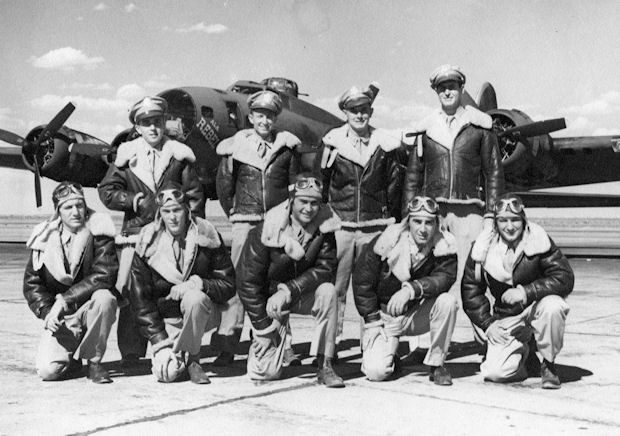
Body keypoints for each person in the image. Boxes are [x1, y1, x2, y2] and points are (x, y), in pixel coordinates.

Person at [98, 96, 205, 366]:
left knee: (171, 290)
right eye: (146, 123)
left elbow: (194, 196)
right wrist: (131, 200)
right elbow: (107, 190)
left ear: (164, 122)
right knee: (130, 293)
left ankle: (178, 349)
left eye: (157, 122)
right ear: (138, 127)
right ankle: (131, 354)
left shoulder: (179, 155)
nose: (153, 128)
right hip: (135, 235)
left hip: (170, 239)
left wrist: (187, 230)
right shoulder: (126, 155)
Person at [315, 84, 406, 347]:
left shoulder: (385, 145)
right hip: (340, 227)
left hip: (374, 227)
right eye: (353, 110)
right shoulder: (331, 144)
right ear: (345, 112)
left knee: (374, 288)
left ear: (371, 111)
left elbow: (393, 187)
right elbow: (321, 184)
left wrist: (394, 225)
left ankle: (374, 343)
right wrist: (325, 222)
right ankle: (330, 348)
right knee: (336, 288)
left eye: (364, 109)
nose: (359, 115)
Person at [215, 90, 301, 365]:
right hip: (244, 221)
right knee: (240, 282)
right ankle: (228, 343)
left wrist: (284, 218)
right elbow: (224, 186)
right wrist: (235, 212)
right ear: (251, 117)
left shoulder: (286, 149)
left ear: (276, 119)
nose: (265, 121)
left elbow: (292, 189)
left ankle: (282, 342)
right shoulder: (234, 149)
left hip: (276, 224)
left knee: (276, 282)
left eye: (270, 116)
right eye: (260, 116)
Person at [236, 174, 344, 387]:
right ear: (291, 201)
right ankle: (267, 339)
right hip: (270, 304)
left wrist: (288, 290)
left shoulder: (325, 229)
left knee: (328, 291)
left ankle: (325, 363)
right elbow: (248, 283)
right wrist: (263, 328)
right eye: (303, 201)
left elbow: (325, 269)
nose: (309, 208)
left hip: (300, 294)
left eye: (314, 203)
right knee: (265, 373)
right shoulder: (265, 229)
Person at [403, 65, 504, 288]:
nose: (447, 92)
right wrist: (407, 216)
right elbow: (412, 177)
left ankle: (473, 322)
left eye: (452, 87)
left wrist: (491, 215)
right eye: (442, 89)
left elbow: (493, 173)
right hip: (433, 212)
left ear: (461, 88)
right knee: (430, 272)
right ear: (436, 92)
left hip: (469, 211)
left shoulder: (481, 126)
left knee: (469, 279)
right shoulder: (424, 129)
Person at [461, 194, 574, 389]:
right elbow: (470, 290)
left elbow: (564, 277)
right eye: (503, 220)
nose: (510, 226)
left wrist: (526, 292)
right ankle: (524, 356)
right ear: (495, 224)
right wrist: (487, 324)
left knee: (554, 306)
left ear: (523, 221)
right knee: (495, 373)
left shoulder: (539, 240)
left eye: (514, 220)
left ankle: (548, 364)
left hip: (535, 308)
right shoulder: (482, 247)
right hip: (507, 316)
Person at [128, 182, 235, 384]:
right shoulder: (147, 242)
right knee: (167, 374)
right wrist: (158, 339)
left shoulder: (207, 234)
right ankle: (177, 352)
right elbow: (139, 299)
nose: (173, 217)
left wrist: (198, 283)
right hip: (164, 321)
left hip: (201, 314)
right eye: (167, 211)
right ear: (160, 213)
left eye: (177, 210)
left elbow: (229, 284)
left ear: (187, 210)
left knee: (195, 297)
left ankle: (194, 360)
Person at [352, 196, 458, 385]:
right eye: (417, 221)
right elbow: (362, 283)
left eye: (429, 223)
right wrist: (372, 320)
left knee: (447, 302)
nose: (423, 229)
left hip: (416, 314)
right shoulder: (386, 241)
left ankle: (437, 364)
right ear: (408, 222)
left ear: (437, 224)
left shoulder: (444, 245)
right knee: (376, 373)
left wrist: (411, 289)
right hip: (384, 317)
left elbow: (444, 278)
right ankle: (392, 358)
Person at [23, 181, 119, 383]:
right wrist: (47, 312)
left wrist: (64, 300)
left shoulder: (99, 232)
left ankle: (95, 363)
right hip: (63, 318)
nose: (75, 212)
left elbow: (104, 274)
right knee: (48, 372)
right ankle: (72, 360)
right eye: (68, 207)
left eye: (80, 205)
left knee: (105, 298)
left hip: (89, 309)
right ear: (58, 211)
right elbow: (33, 283)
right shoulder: (44, 237)